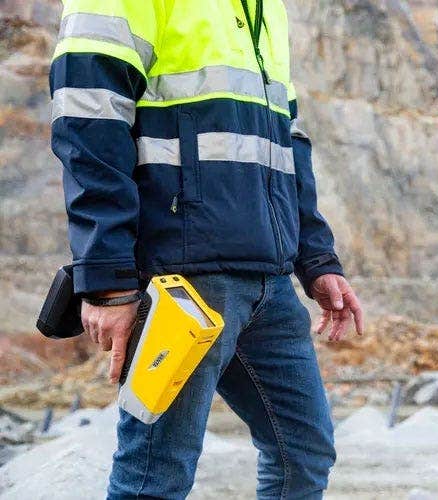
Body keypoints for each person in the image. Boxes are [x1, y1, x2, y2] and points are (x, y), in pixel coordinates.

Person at [49, 1, 364, 498]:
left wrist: (316, 259)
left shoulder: (266, 8)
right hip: (182, 282)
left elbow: (287, 144)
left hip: (269, 280)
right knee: (156, 473)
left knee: (305, 452)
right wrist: (107, 280)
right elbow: (88, 122)